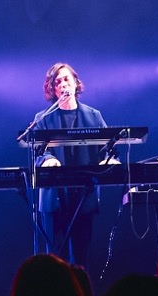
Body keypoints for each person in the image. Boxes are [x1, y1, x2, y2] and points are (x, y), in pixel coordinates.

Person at [30, 62, 109, 265]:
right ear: (53, 90)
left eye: (66, 79)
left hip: (83, 196)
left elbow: (107, 149)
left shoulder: (94, 116)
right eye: (57, 82)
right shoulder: (43, 118)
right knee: (56, 261)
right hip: (55, 198)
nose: (63, 84)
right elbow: (37, 150)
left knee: (81, 259)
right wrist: (48, 159)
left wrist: (109, 160)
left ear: (75, 82)